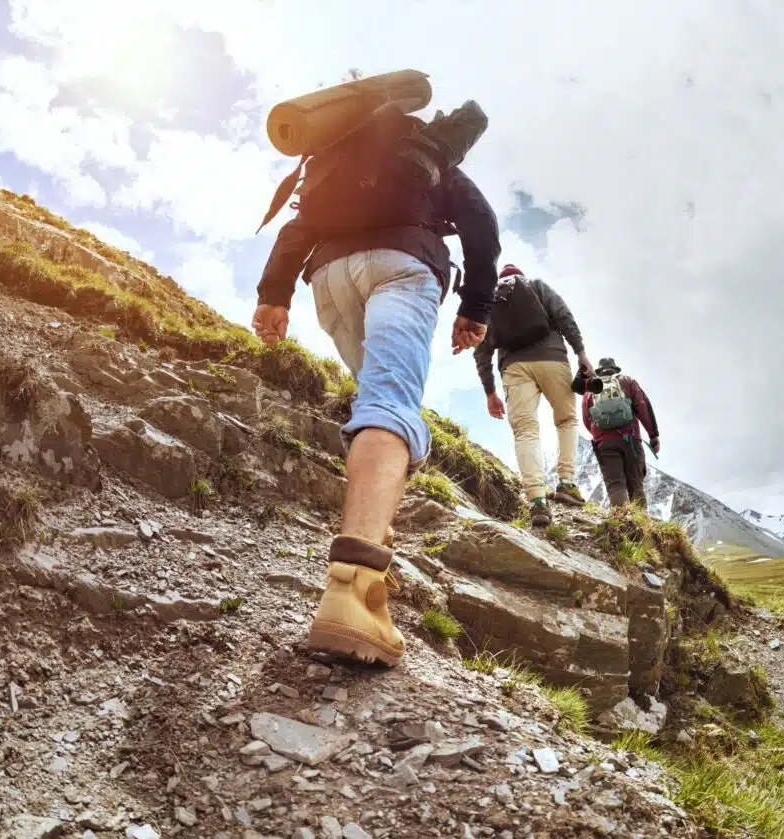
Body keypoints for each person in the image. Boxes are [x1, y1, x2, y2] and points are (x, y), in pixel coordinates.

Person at [251, 101, 501, 668]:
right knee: (390, 404)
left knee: (373, 402)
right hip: (402, 266)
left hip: (330, 280)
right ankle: (352, 590)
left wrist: (273, 295)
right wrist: (476, 308)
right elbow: (482, 227)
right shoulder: (427, 154)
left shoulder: (333, 160)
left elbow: (299, 227)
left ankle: (372, 554)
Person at [472, 264, 593, 527]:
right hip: (553, 359)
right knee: (566, 420)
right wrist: (581, 353)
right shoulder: (535, 285)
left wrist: (490, 392)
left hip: (514, 368)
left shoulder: (490, 301)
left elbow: (481, 352)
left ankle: (537, 501)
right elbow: (563, 315)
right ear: (520, 276)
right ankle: (567, 482)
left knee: (525, 431)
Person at [581, 357, 660, 510]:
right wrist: (653, 435)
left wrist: (600, 436)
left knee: (615, 485)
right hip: (630, 440)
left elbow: (587, 419)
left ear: (599, 371)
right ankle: (640, 527)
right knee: (636, 485)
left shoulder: (590, 389)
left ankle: (622, 524)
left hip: (605, 444)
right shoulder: (627, 381)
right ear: (615, 370)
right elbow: (643, 406)